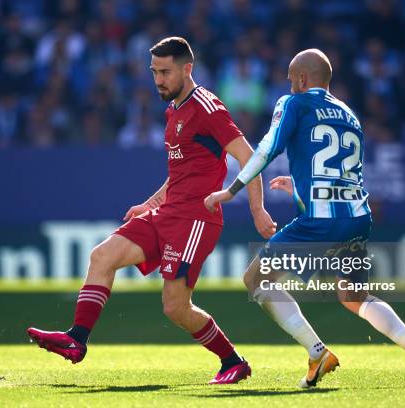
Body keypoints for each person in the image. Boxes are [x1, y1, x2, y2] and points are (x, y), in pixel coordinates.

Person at [27, 37, 276, 385]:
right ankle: (76, 339)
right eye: (154, 72)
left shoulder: (208, 108)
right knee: (102, 256)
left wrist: (257, 209)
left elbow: (249, 158)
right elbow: (181, 172)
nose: (158, 79)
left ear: (187, 69)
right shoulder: (173, 108)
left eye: (165, 72)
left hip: (195, 220)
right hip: (167, 213)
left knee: (175, 307)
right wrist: (151, 202)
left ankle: (232, 361)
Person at [204, 49, 405, 388]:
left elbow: (267, 148)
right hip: (356, 217)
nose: (290, 87)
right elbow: (344, 172)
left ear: (303, 79)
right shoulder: (349, 114)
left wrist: (232, 190)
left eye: (292, 81)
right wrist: (300, 185)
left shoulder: (294, 103)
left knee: (256, 279)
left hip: (321, 221)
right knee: (354, 297)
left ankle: (317, 352)